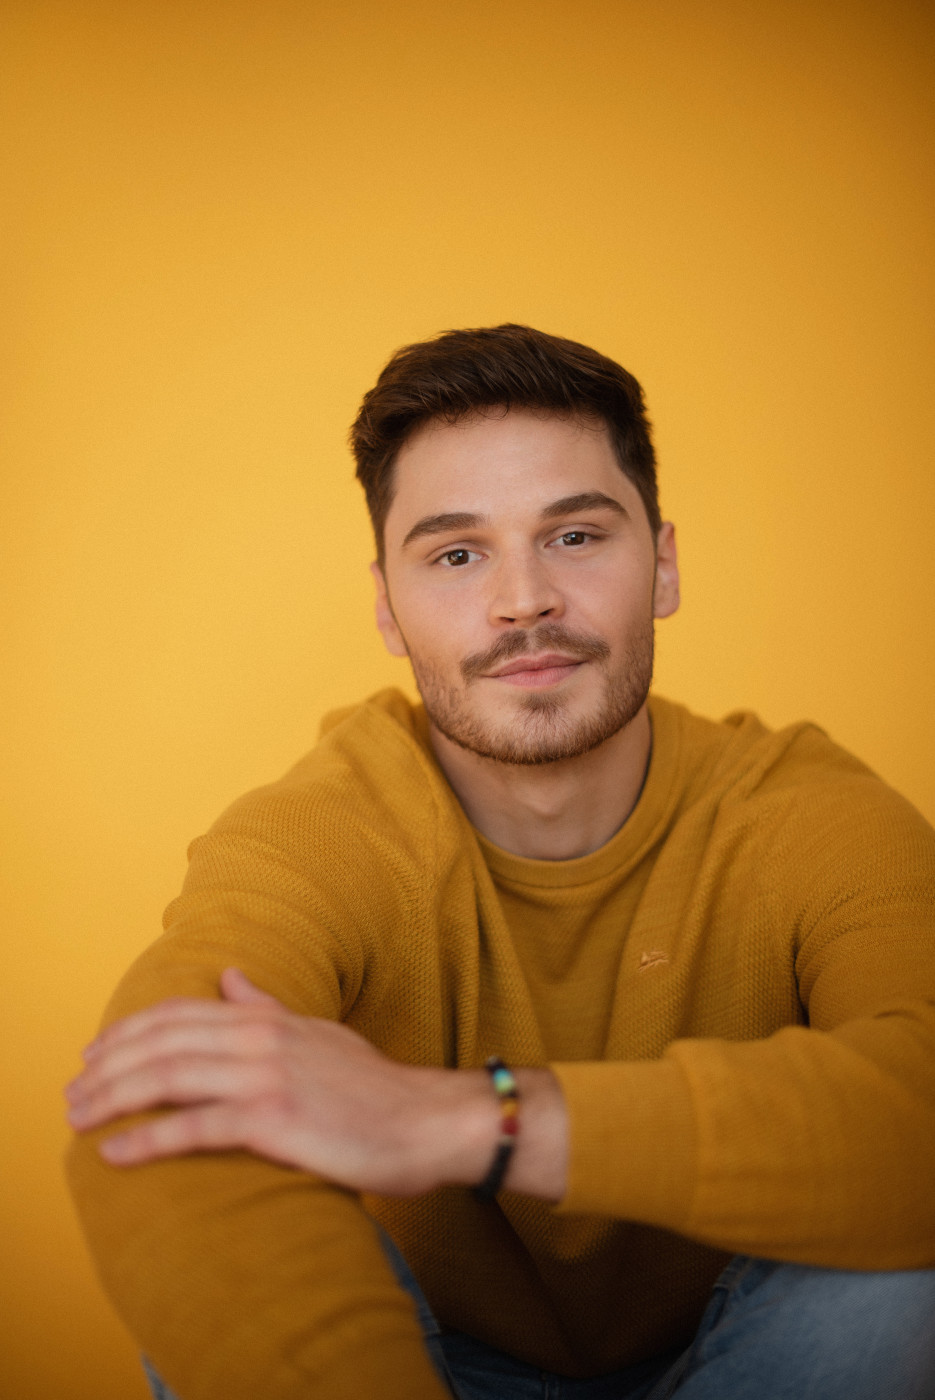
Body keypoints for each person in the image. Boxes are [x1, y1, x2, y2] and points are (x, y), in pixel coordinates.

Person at [65, 325, 935, 1400]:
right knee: (208, 1244)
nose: (523, 599)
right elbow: (147, 1115)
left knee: (908, 1268)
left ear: (662, 564)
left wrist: (469, 1120)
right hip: (438, 1363)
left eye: (574, 535)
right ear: (386, 605)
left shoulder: (797, 808)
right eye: (456, 554)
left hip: (750, 1349)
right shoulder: (324, 831)